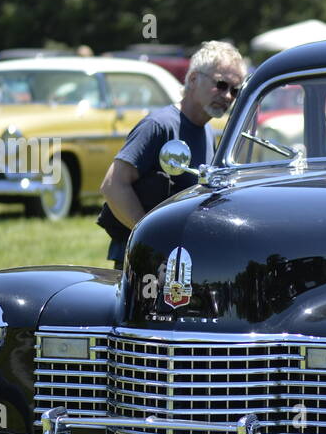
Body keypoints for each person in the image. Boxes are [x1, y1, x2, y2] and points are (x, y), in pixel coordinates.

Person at [98, 40, 246, 268]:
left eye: (235, 90)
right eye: (221, 84)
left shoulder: (207, 131)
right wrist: (149, 238)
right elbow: (113, 185)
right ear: (194, 79)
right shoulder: (159, 125)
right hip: (144, 261)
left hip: (178, 261)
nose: (227, 96)